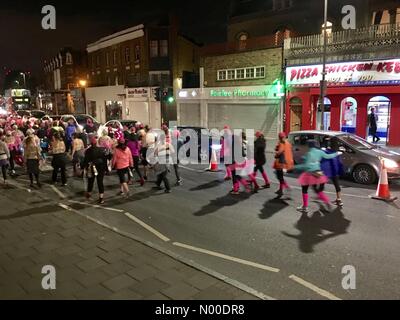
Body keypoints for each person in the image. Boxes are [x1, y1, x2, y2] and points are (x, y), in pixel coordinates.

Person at [295, 140, 339, 214]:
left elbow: (306, 166)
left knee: (304, 189)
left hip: (310, 173)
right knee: (318, 190)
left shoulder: (309, 153)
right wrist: (336, 153)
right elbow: (328, 156)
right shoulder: (319, 152)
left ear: (309, 146)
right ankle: (327, 202)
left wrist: (295, 167)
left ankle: (305, 207)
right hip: (318, 172)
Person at [83, 134, 110, 204]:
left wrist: (83, 168)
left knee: (90, 181)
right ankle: (101, 198)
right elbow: (105, 160)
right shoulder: (101, 150)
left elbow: (85, 160)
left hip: (92, 167)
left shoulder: (88, 151)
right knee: (100, 182)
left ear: (90, 143)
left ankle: (89, 193)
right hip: (100, 168)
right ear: (96, 143)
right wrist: (106, 170)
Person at [321, 137, 345, 207]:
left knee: (322, 183)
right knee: (336, 185)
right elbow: (340, 163)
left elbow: (323, 158)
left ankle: (320, 195)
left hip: (328, 171)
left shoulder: (327, 151)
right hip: (335, 171)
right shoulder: (337, 152)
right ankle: (339, 199)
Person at [273, 132, 294, 198]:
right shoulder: (288, 143)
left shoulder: (282, 143)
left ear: (279, 137)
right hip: (287, 162)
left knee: (279, 176)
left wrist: (276, 154)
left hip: (281, 162)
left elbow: (280, 151)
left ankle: (286, 187)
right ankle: (281, 189)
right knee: (280, 175)